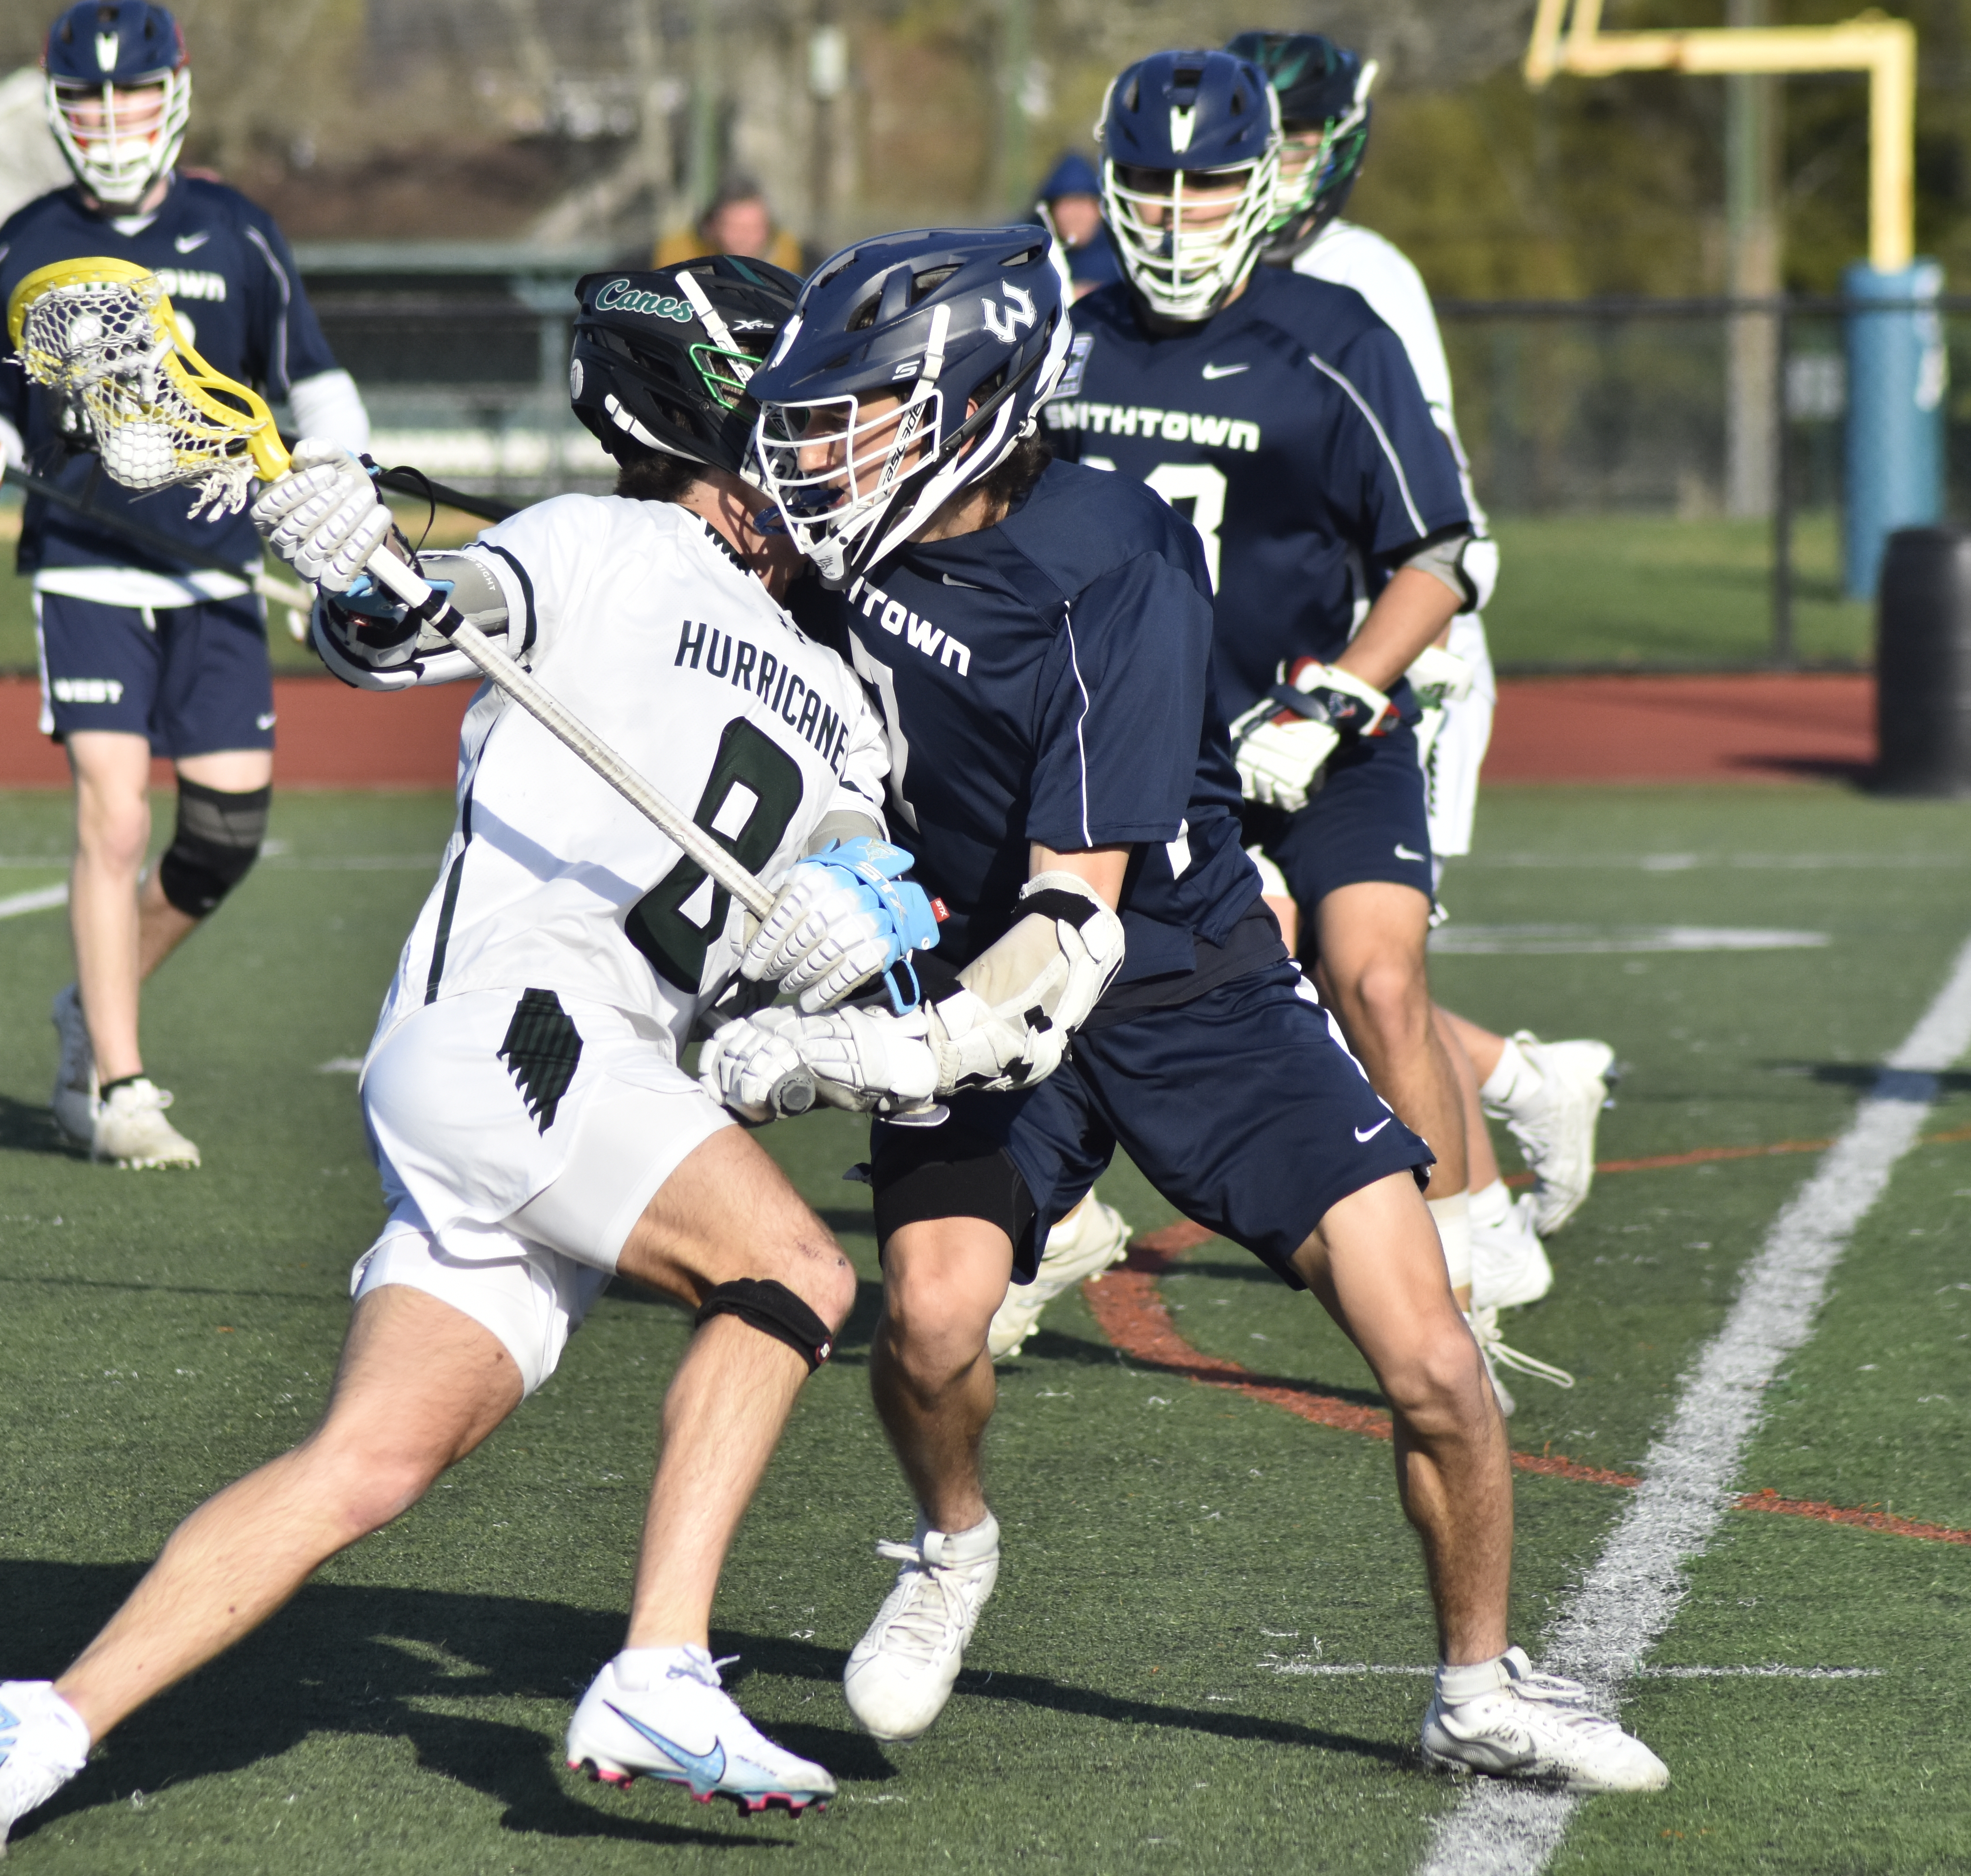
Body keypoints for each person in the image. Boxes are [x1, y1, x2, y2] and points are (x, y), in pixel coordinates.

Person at [0, 255, 910, 1856]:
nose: (848, 450)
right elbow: (403, 628)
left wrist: (831, 953)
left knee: (366, 1465)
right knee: (797, 1273)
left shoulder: (841, 693)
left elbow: (849, 928)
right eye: (812, 419)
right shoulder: (597, 545)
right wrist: (350, 561)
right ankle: (659, 1664)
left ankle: (40, 1721)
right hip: (521, 1033)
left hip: (584, 1072)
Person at [711, 218, 1668, 1791]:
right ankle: (953, 1547)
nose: (834, 444)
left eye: (871, 406)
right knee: (936, 1322)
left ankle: (1480, 1686)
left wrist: (839, 1049)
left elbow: (1073, 919)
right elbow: (656, 582)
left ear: (972, 411)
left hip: (1172, 975)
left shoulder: (1114, 557)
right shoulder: (846, 533)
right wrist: (409, 583)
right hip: (962, 961)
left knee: (1432, 1355)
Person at [1039, 47, 1585, 1401]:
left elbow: (1442, 554)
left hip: (1321, 727)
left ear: (1261, 185)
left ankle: (1461, 1274)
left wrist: (1340, 691)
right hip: (1141, 749)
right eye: (1150, 186)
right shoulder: (1062, 338)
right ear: (1108, 187)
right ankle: (1040, 1222)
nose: (1174, 216)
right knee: (1064, 980)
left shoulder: (1334, 335)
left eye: (1207, 182)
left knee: (1378, 976)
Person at [0, 0, 373, 1168]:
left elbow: (313, 384)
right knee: (114, 815)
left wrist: (340, 483)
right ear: (57, 107)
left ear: (170, 94)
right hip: (87, 571)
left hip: (215, 570)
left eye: (127, 95)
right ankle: (120, 1085)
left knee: (222, 837)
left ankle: (89, 1004)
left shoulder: (237, 233)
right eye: (87, 99)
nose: (109, 119)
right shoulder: (27, 243)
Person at [1233, 27, 1617, 1316]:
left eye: (1291, 148)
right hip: (1257, 676)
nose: (1267, 176)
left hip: (1395, 669)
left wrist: (1368, 675)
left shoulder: (1361, 281)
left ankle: (1481, 1229)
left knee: (1370, 973)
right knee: (1293, 966)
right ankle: (1521, 1086)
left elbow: (1431, 525)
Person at [654, 175, 806, 272]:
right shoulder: (678, 257)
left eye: (755, 228)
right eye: (735, 228)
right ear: (713, 227)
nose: (745, 238)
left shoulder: (793, 259)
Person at [1033, 150, 1122, 301]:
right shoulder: (1027, 255)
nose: (1076, 216)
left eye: (1084, 203)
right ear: (1049, 210)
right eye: (1067, 204)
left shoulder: (1124, 257)